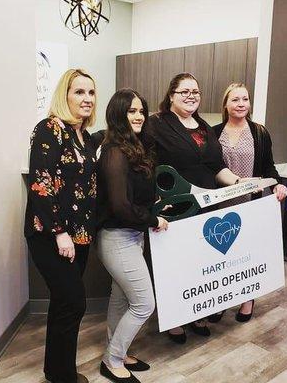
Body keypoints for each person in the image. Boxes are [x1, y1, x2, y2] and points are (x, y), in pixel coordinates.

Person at [147, 72, 241, 344]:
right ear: (171, 95)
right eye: (184, 91)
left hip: (206, 207)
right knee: (174, 264)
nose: (191, 97)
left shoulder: (205, 127)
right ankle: (174, 318)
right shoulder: (157, 124)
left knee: (200, 262)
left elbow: (215, 167)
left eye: (196, 92)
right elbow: (145, 163)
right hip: (174, 209)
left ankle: (197, 313)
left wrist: (238, 181)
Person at [24, 69, 97, 383]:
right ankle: (64, 376)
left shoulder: (86, 136)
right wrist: (60, 232)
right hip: (51, 234)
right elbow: (41, 184)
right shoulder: (50, 128)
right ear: (64, 96)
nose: (87, 99)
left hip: (79, 235)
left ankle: (56, 372)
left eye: (91, 93)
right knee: (73, 302)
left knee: (63, 304)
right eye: (79, 92)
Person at [96, 88, 169, 383]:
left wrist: (153, 206)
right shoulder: (114, 151)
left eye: (141, 110)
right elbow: (120, 206)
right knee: (143, 304)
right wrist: (154, 219)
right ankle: (112, 360)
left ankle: (118, 351)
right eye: (131, 111)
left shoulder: (134, 146)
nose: (138, 116)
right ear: (118, 114)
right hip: (117, 237)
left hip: (130, 236)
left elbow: (134, 196)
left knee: (121, 299)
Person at [211, 82, 287, 323]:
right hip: (221, 204)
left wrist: (278, 183)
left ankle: (247, 299)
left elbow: (268, 166)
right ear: (226, 104)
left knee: (247, 254)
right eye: (235, 99)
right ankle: (221, 299)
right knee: (221, 257)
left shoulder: (259, 132)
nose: (241, 104)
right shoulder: (214, 132)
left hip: (250, 203)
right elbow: (210, 168)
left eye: (245, 99)